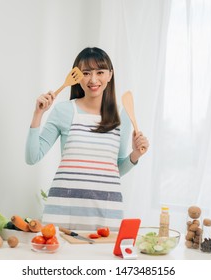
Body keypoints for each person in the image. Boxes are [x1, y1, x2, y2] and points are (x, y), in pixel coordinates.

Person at [25, 47, 149, 230]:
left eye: (100, 72)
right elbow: (32, 157)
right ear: (77, 77)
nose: (93, 79)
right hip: (63, 211)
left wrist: (136, 154)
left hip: (106, 212)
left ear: (110, 75)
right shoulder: (63, 111)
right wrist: (38, 114)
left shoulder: (122, 116)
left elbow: (115, 170)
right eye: (86, 73)